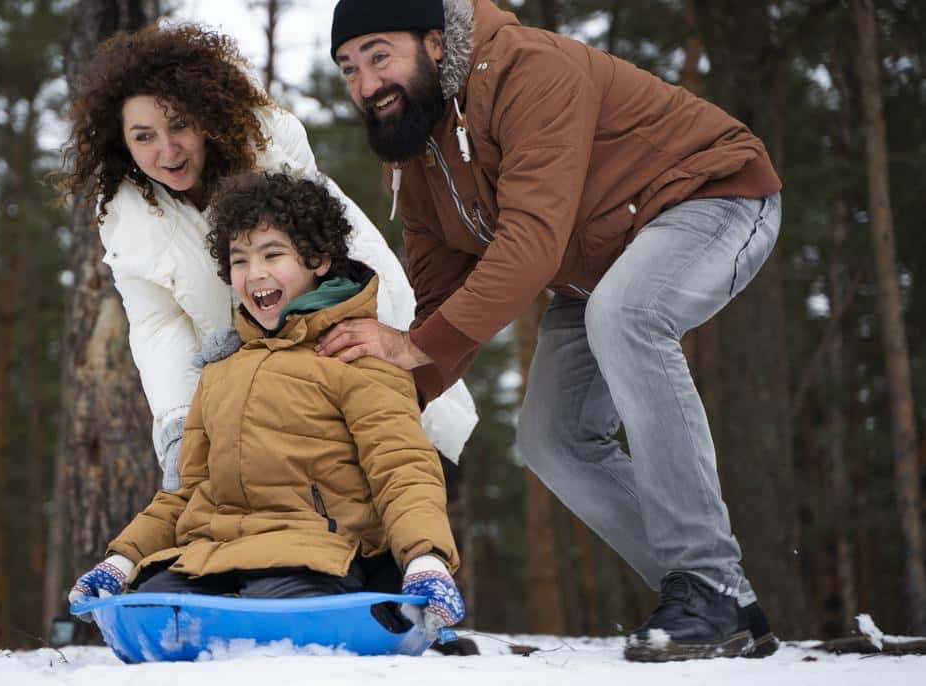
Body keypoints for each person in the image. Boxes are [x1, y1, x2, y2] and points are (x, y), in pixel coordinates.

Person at [320, 0, 782, 662]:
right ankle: (723, 603)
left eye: (378, 57)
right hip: (592, 271)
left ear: (432, 43)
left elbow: (531, 240)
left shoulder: (528, 69)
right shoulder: (418, 155)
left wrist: (418, 347)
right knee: (550, 439)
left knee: (627, 316)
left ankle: (703, 579)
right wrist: (382, 404)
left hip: (710, 198)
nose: (365, 86)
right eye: (347, 68)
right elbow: (441, 304)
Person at [61, 23, 477, 491]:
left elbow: (323, 275)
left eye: (178, 124)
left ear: (206, 115)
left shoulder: (266, 147)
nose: (167, 150)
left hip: (345, 337)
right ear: (122, 143)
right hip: (252, 395)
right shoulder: (126, 216)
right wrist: (179, 427)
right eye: (144, 137)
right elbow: (158, 326)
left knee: (398, 479)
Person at [68, 172, 465, 640]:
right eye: (239, 260)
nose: (254, 272)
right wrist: (123, 558)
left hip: (315, 556)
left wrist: (426, 558)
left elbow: (403, 469)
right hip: (209, 558)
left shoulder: (358, 359)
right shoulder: (220, 373)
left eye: (272, 254)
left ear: (318, 259)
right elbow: (186, 491)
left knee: (265, 629)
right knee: (148, 615)